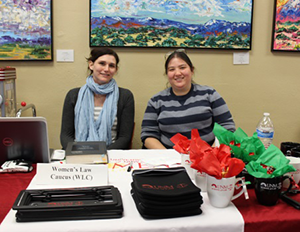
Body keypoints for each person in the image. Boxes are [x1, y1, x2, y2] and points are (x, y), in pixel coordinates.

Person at [141, 49, 235, 149]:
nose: (177, 73)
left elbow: (227, 127)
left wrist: (212, 153)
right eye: (171, 69)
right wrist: (168, 157)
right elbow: (148, 135)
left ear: (192, 70)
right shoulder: (156, 101)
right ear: (167, 74)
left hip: (208, 157)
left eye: (182, 67)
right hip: (170, 159)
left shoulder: (210, 94)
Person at [60, 48, 135, 150]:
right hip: (77, 153)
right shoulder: (73, 95)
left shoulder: (125, 96)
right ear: (91, 65)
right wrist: (79, 152)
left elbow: (124, 138)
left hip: (110, 154)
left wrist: (101, 154)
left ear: (116, 70)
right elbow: (66, 135)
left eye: (111, 65)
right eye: (102, 63)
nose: (106, 69)